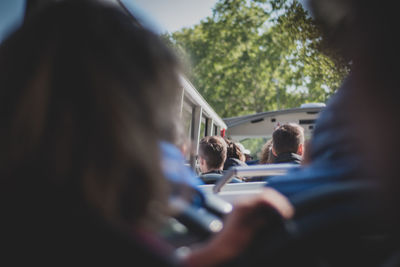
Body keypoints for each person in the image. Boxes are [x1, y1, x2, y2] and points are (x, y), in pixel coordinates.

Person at [0, 2, 296, 266]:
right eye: (162, 120)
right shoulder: (109, 237)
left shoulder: (33, 222)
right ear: (121, 129)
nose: (183, 145)